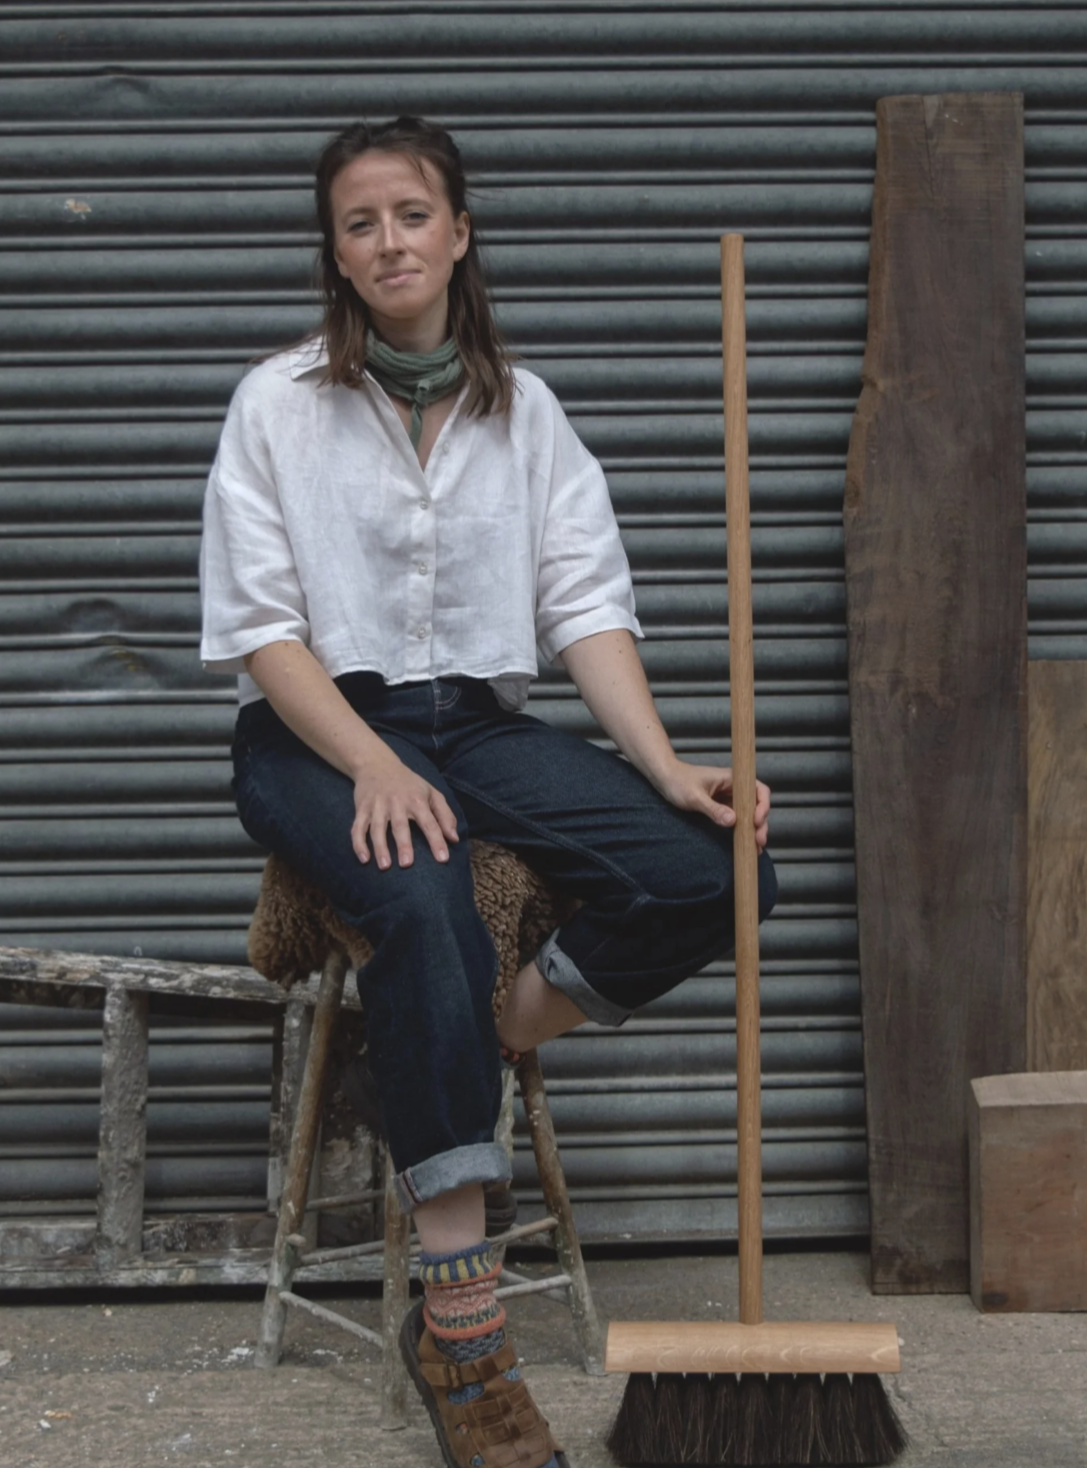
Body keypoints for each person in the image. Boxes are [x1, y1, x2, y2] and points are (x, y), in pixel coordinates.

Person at [200, 115, 777, 1468]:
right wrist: (371, 760)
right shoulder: (275, 403)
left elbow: (585, 610)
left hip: (473, 723)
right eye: (359, 222)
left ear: (458, 232)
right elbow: (263, 629)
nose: (388, 241)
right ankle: (465, 1339)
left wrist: (664, 766)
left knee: (720, 868)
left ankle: (499, 1024)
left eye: (411, 214)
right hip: (311, 734)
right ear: (335, 256)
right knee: (421, 902)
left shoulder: (528, 414)